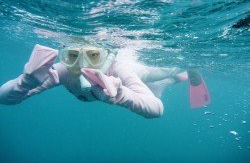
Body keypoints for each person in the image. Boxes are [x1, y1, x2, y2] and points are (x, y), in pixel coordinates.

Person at [0, 44, 210, 118]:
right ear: (64, 56)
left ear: (107, 56)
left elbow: (158, 109)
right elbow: (5, 99)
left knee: (155, 74)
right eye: (72, 55)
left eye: (93, 56)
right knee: (157, 88)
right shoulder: (63, 71)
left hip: (139, 71)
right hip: (128, 83)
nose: (81, 65)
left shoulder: (119, 68)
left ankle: (187, 68)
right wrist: (26, 81)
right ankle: (176, 78)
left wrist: (121, 95)